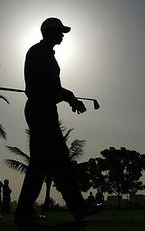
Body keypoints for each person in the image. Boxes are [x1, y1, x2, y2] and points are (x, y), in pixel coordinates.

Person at [15, 17, 102, 224]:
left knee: (48, 164)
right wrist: (69, 96)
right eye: (59, 31)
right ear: (48, 32)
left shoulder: (47, 54)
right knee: (54, 163)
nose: (62, 35)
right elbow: (44, 85)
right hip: (40, 110)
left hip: (45, 109)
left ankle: (28, 213)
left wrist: (67, 97)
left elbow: (50, 88)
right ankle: (75, 209)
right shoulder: (37, 52)